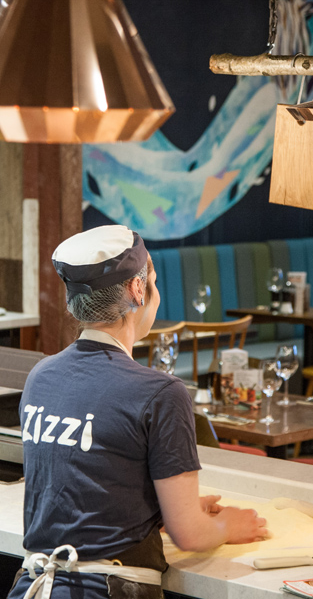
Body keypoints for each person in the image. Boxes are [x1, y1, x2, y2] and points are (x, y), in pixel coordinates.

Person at [8, 225, 267, 599]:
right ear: (137, 289)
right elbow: (189, 535)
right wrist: (228, 525)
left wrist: (162, 510)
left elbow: (80, 491)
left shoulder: (41, 376)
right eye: (154, 283)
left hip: (31, 587)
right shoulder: (161, 393)